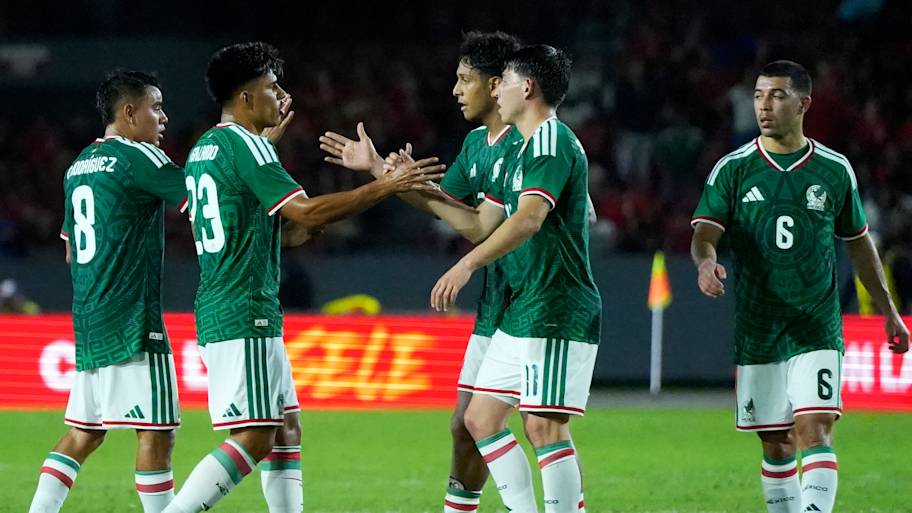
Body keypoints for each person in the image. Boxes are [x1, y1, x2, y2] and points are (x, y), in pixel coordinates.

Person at [162, 41, 443, 513]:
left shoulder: (204, 149)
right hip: (242, 309)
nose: (281, 96)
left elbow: (273, 231)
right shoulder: (248, 146)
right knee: (255, 437)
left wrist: (299, 212)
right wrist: (384, 186)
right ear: (246, 98)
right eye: (271, 88)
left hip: (232, 304)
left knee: (286, 429)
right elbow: (306, 213)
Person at [386, 44, 599, 513]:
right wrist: (387, 177)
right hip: (522, 305)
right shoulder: (523, 147)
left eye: (505, 82)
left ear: (528, 88)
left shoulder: (551, 141)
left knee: (544, 427)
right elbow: (481, 221)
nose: (497, 90)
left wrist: (467, 264)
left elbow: (528, 219)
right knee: (479, 419)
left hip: (556, 301)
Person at [319, 30, 525, 513]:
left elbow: (478, 226)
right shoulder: (477, 143)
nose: (456, 90)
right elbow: (444, 206)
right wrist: (382, 171)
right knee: (464, 425)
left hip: (533, 298)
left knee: (529, 426)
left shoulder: (526, 143)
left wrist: (396, 181)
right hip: (498, 301)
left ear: (496, 84)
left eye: (465, 79)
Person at [690, 60, 910, 513]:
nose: (764, 105)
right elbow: (704, 233)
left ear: (804, 104)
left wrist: (888, 310)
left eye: (776, 95)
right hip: (759, 327)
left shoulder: (833, 169)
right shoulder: (734, 168)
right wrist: (706, 262)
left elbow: (858, 244)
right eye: (758, 96)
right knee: (776, 443)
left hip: (815, 324)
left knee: (815, 427)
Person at [28, 70, 187, 513]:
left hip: (89, 315)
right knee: (157, 430)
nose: (164, 118)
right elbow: (203, 195)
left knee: (85, 432)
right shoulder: (140, 156)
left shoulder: (78, 166)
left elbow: (70, 251)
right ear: (129, 112)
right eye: (156, 107)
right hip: (132, 317)